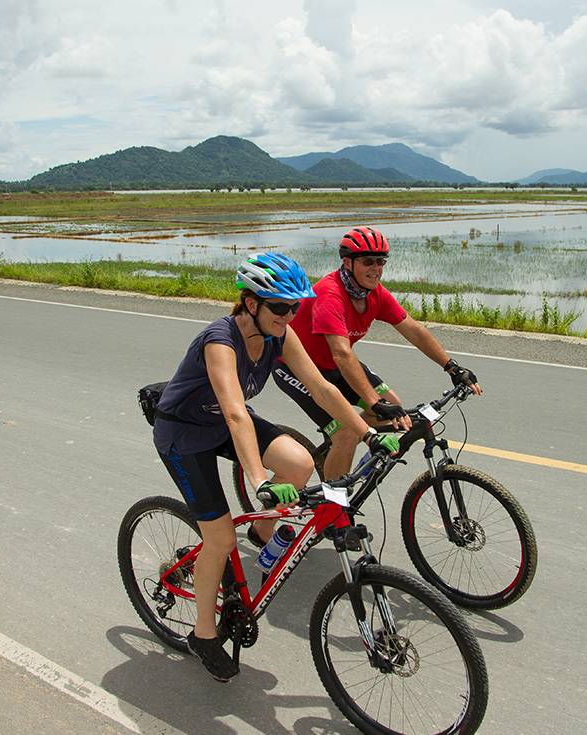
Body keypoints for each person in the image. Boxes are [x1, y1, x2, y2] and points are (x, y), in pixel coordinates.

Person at [153, 252, 398, 683]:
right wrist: (259, 481)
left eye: (295, 308)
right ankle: (203, 634)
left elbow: (322, 389)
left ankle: (262, 533)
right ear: (252, 304)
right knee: (219, 538)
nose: (289, 316)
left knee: (300, 463)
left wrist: (366, 433)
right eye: (281, 307)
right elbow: (235, 413)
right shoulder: (220, 339)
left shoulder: (279, 336)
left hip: (222, 423)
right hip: (184, 434)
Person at [273, 226, 481, 481]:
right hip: (296, 367)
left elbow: (414, 330)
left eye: (381, 261)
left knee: (391, 404)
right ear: (347, 263)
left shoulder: (375, 294)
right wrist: (372, 402)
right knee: (347, 433)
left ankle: (342, 456)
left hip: (334, 366)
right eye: (368, 261)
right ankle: (332, 501)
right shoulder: (330, 294)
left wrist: (452, 366)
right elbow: (341, 353)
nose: (376, 268)